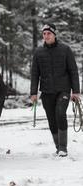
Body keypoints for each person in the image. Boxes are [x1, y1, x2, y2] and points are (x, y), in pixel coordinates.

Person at [30, 23, 80, 157]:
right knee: (52, 120)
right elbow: (35, 74)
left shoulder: (65, 50)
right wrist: (33, 93)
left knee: (60, 114)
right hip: (46, 92)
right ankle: (58, 146)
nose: (46, 36)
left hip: (63, 90)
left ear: (54, 34)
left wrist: (75, 91)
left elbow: (73, 71)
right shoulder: (38, 52)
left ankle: (63, 147)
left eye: (49, 33)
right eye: (44, 34)